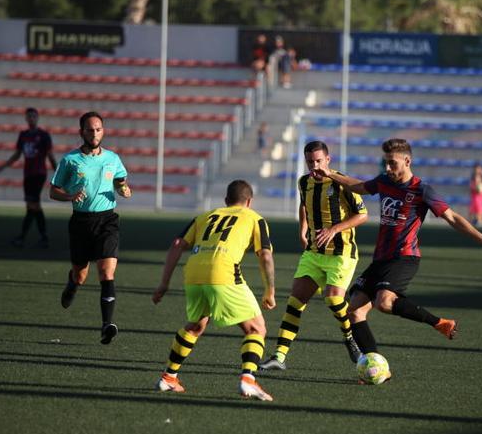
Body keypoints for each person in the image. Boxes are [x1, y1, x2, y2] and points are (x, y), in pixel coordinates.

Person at [311, 139, 482, 366]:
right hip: (380, 259)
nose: (387, 169)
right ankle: (375, 366)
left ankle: (439, 323)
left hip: (404, 258)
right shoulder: (384, 181)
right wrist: (330, 174)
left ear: (407, 161)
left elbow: (452, 217)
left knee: (384, 302)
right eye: (385, 163)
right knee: (353, 311)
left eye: (392, 164)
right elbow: (357, 186)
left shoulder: (422, 190)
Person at [152, 180, 277, 401]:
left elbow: (177, 244)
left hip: (193, 273)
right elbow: (265, 255)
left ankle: (169, 377)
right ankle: (248, 379)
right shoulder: (255, 218)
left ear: (226, 201)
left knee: (195, 325)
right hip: (223, 273)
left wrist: (164, 283)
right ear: (249, 201)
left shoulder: (204, 216)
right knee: (257, 328)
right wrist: (270, 289)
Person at [259, 141, 368, 371]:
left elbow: (363, 215)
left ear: (328, 160)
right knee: (295, 302)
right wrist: (302, 229)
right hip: (314, 253)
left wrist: (334, 229)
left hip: (341, 253)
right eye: (310, 162)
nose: (315, 166)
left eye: (319, 161)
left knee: (333, 299)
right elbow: (304, 205)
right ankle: (279, 356)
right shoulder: (304, 182)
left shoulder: (343, 184)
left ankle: (350, 339)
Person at [50, 111, 131, 344]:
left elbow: (121, 181)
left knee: (106, 273)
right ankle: (72, 284)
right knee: (81, 274)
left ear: (103, 131)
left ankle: (107, 325)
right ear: (81, 132)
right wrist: (70, 196)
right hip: (81, 222)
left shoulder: (113, 158)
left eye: (98, 129)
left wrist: (123, 189)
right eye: (90, 129)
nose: (95, 133)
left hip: (107, 220)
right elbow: (53, 191)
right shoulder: (70, 160)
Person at [0, 107, 57, 248]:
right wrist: (4, 165)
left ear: (37, 118)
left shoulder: (43, 135)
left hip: (39, 174)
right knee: (32, 207)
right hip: (28, 174)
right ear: (26, 118)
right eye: (29, 116)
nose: (31, 119)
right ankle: (40, 237)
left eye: (33, 116)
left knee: (33, 205)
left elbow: (50, 156)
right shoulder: (23, 135)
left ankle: (25, 237)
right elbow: (18, 154)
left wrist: (58, 172)